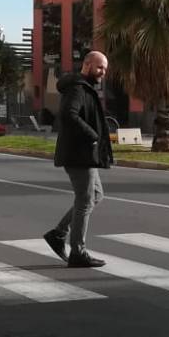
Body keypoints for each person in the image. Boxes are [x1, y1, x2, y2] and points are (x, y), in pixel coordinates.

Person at [43, 49, 113, 268]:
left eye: (105, 69)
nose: (103, 72)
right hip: (78, 155)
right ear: (87, 64)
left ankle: (58, 233)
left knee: (96, 195)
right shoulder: (78, 89)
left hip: (84, 154)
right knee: (84, 200)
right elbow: (68, 115)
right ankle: (78, 251)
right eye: (100, 67)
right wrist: (92, 135)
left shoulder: (84, 88)